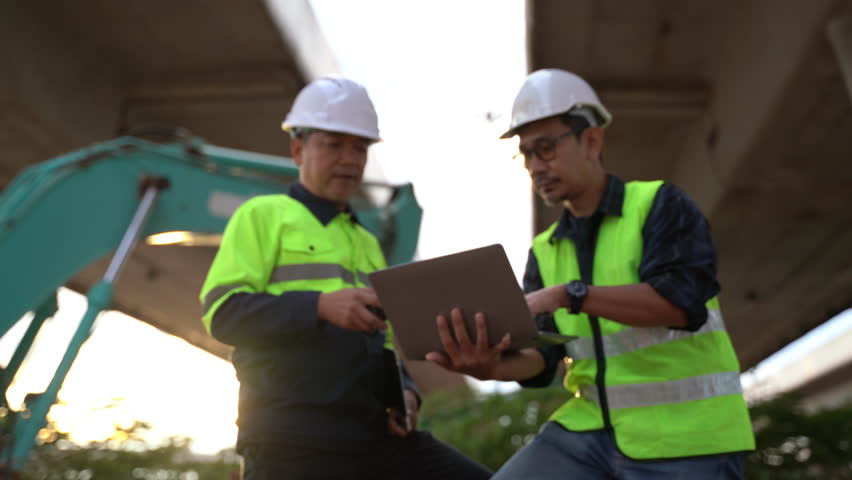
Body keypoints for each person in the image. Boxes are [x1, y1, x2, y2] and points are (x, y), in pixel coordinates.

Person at [426, 69, 755, 479]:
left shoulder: (659, 206)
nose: (534, 165)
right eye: (526, 153)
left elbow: (680, 303)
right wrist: (488, 366)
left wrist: (569, 295)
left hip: (689, 436)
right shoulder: (544, 250)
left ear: (592, 140)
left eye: (545, 148)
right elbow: (542, 361)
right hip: (591, 430)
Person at [200, 76, 491, 480]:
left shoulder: (367, 242)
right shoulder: (261, 215)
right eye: (333, 144)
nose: (350, 159)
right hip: (290, 442)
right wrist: (319, 306)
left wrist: (404, 391)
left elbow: (384, 341)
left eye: (359, 147)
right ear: (298, 148)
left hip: (371, 437)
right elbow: (223, 314)